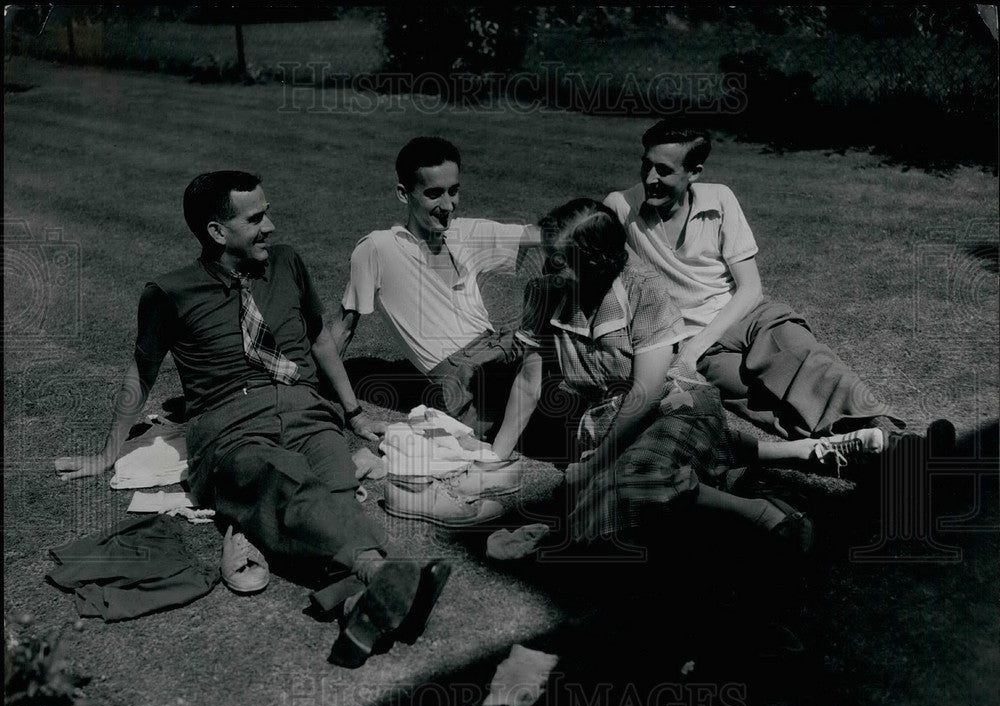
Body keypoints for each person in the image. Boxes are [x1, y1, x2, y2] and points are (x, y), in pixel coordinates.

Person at [54, 171, 450, 668]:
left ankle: (355, 606)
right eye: (256, 217)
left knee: (335, 491)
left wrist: (352, 413)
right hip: (231, 426)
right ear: (217, 232)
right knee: (291, 485)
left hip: (307, 411)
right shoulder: (169, 293)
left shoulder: (287, 264)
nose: (271, 226)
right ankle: (375, 569)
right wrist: (107, 452)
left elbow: (319, 340)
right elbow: (142, 370)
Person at [491, 198, 883, 563]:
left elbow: (644, 396)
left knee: (625, 485)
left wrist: (596, 467)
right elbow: (528, 383)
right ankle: (806, 453)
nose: (548, 270)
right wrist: (493, 460)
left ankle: (765, 513)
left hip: (674, 403)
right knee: (614, 491)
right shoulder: (544, 292)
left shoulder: (643, 291)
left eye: (560, 262)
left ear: (596, 261)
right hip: (612, 423)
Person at [603, 122, 907, 447]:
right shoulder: (620, 208)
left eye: (663, 170)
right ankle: (879, 452)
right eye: (645, 165)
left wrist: (692, 351)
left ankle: (886, 430)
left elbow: (750, 288)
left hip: (749, 318)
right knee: (760, 401)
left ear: (694, 172)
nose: (650, 178)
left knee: (807, 359)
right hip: (692, 337)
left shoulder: (719, 199)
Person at [332, 136, 540, 439]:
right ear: (404, 194)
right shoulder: (379, 247)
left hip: (499, 354)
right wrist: (334, 403)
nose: (447, 205)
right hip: (464, 382)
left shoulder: (464, 231)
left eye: (453, 191)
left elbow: (539, 235)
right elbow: (342, 329)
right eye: (434, 194)